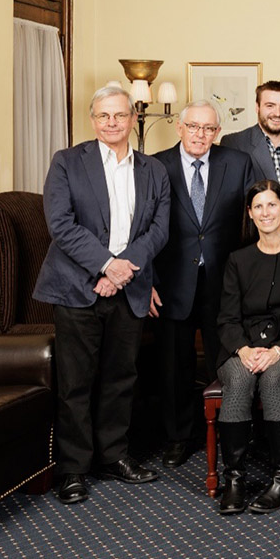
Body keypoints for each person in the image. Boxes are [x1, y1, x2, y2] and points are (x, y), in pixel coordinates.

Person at [34, 86, 171, 505]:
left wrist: (123, 269)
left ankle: (114, 456)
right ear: (92, 120)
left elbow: (159, 230)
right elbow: (60, 223)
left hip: (127, 289)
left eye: (118, 115)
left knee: (120, 379)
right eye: (102, 116)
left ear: (132, 119)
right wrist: (105, 265)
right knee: (75, 383)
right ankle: (73, 468)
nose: (111, 122)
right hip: (77, 288)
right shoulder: (67, 162)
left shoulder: (153, 170)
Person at [152, 101, 254, 468]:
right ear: (179, 127)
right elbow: (143, 227)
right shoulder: (155, 164)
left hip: (223, 283)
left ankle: (230, 433)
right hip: (171, 281)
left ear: (218, 132)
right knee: (174, 365)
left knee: (223, 362)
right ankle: (179, 437)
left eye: (209, 129)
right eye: (193, 127)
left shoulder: (237, 163)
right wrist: (145, 280)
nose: (200, 135)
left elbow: (248, 225)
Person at [215, 180, 280, 515]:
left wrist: (278, 350)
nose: (266, 212)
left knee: (274, 380)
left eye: (272, 205)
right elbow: (227, 318)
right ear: (249, 213)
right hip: (242, 347)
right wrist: (244, 350)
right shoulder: (238, 260)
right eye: (258, 206)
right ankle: (234, 479)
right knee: (240, 379)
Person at [220, 80, 280, 243]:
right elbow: (229, 202)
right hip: (250, 246)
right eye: (270, 105)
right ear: (257, 107)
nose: (277, 113)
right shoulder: (234, 143)